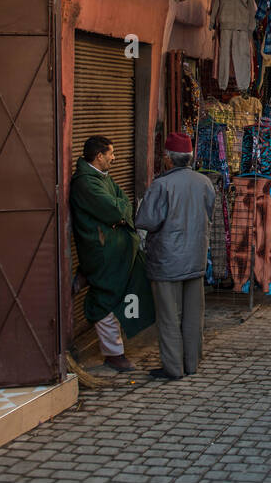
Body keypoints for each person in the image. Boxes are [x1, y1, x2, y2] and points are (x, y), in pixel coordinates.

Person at [69, 136, 155, 373]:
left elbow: (124, 202)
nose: (114, 158)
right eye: (111, 154)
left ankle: (117, 348)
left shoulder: (101, 178)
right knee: (106, 298)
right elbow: (116, 209)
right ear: (99, 156)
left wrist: (121, 211)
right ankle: (113, 353)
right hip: (103, 252)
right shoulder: (86, 183)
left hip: (117, 251)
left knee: (127, 290)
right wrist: (120, 212)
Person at [135, 132, 216, 380]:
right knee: (194, 315)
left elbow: (146, 220)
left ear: (168, 159)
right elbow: (209, 213)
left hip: (167, 259)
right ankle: (191, 364)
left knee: (169, 316)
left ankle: (173, 368)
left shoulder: (161, 185)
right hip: (195, 256)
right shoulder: (205, 183)